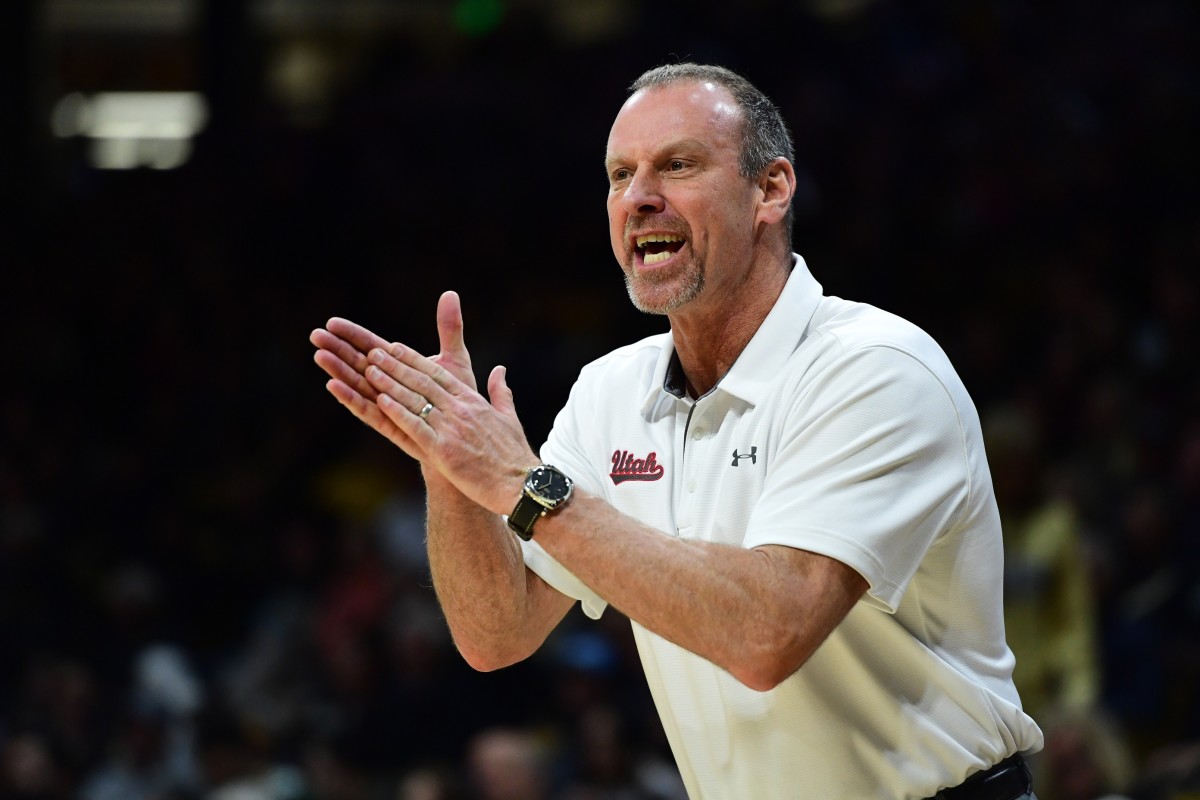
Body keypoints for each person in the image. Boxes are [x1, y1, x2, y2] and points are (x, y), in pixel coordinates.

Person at [311, 63, 1044, 799]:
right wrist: (453, 468)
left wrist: (517, 481)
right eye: (619, 174)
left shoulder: (875, 370)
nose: (639, 198)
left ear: (771, 189)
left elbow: (768, 634)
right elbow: (498, 632)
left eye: (678, 165)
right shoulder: (610, 392)